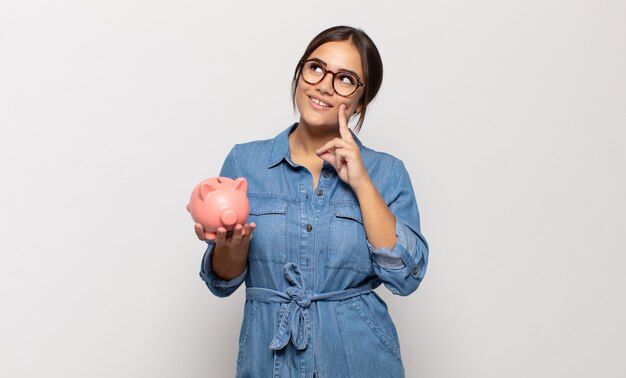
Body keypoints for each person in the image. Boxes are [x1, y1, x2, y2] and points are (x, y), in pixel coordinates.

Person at [195, 25, 429, 378]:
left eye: (345, 79)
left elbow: (405, 278)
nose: (323, 84)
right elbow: (222, 282)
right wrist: (233, 246)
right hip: (268, 362)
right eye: (316, 68)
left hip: (359, 360)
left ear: (362, 100)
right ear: (300, 72)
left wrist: (362, 183)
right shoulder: (245, 163)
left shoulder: (387, 173)